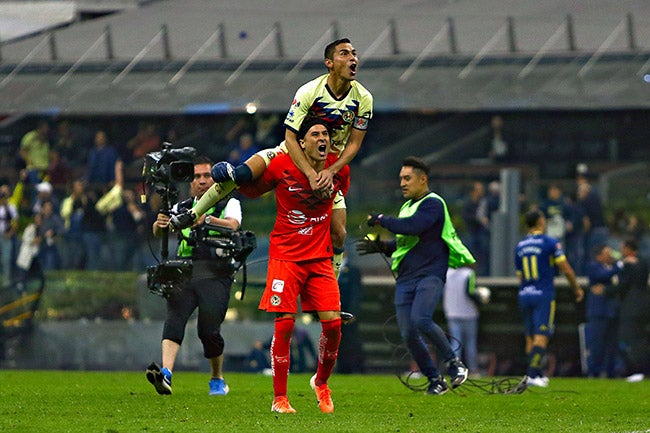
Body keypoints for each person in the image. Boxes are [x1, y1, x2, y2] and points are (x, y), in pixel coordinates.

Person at [171, 38, 373, 280]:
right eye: (345, 53)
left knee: (339, 233)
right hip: (292, 154)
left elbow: (354, 144)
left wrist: (330, 172)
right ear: (329, 63)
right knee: (242, 175)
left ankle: (333, 286)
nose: (353, 58)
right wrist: (309, 173)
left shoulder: (363, 98)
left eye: (354, 53)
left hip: (329, 165)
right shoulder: (309, 92)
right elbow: (289, 138)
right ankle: (194, 214)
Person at [242, 118, 348, 413]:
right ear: (301, 143)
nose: (322, 138)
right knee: (285, 324)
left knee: (334, 325)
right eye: (315, 134)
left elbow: (340, 196)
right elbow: (251, 190)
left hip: (319, 258)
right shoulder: (282, 165)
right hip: (285, 257)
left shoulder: (340, 170)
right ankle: (280, 399)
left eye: (325, 133)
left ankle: (322, 382)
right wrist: (234, 177)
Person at [356, 156, 474, 395]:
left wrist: (381, 220)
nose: (402, 183)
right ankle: (435, 380)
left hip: (430, 274)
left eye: (407, 178)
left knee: (421, 319)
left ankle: (454, 364)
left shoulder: (433, 203)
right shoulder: (407, 207)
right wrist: (381, 246)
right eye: (400, 178)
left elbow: (413, 227)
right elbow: (405, 243)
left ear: (423, 179)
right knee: (408, 333)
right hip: (406, 278)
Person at [146, 155, 241, 396]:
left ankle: (217, 378)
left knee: (208, 330)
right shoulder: (182, 207)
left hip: (215, 272)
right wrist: (159, 225)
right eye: (196, 176)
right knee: (174, 319)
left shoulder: (228, 202)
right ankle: (166, 373)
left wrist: (206, 218)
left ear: (215, 178)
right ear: (190, 182)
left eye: (207, 175)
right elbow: (161, 231)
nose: (202, 181)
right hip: (184, 270)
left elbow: (232, 225)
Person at [515, 209, 584, 387]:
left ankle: (536, 373)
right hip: (543, 294)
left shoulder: (520, 245)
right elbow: (566, 268)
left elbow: (520, 276)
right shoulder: (550, 242)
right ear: (540, 222)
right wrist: (576, 287)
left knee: (530, 337)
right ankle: (532, 375)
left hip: (524, 294)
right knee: (542, 335)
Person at [585, 244, 624, 378]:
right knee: (597, 343)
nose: (610, 256)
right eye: (607, 253)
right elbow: (603, 275)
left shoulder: (611, 269)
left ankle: (610, 371)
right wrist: (618, 266)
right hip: (598, 311)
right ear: (599, 255)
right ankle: (593, 371)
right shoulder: (594, 266)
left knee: (611, 343)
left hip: (612, 311)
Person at [617, 238, 649, 382]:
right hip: (645, 305)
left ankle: (636, 371)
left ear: (628, 249)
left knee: (629, 339)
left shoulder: (628, 264)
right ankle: (644, 370)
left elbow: (623, 285)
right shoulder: (644, 261)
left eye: (623, 248)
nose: (621, 251)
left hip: (631, 306)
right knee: (642, 339)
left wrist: (605, 290)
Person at [443, 266, 482, 375]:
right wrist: (480, 299)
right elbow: (470, 291)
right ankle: (473, 370)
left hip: (452, 312)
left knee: (455, 343)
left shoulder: (447, 273)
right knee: (470, 343)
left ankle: (455, 369)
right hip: (468, 313)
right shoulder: (469, 273)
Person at [19, 120, 50, 185]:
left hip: (45, 169)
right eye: (45, 127)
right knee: (35, 188)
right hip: (34, 170)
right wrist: (29, 163)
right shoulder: (30, 137)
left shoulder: (46, 139)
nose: (47, 129)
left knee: (44, 189)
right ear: (40, 127)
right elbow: (23, 151)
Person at [0, 184, 19, 288]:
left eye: (5, 192)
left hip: (5, 236)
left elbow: (15, 222)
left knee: (6, 259)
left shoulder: (11, 207)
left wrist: (10, 233)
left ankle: (6, 281)